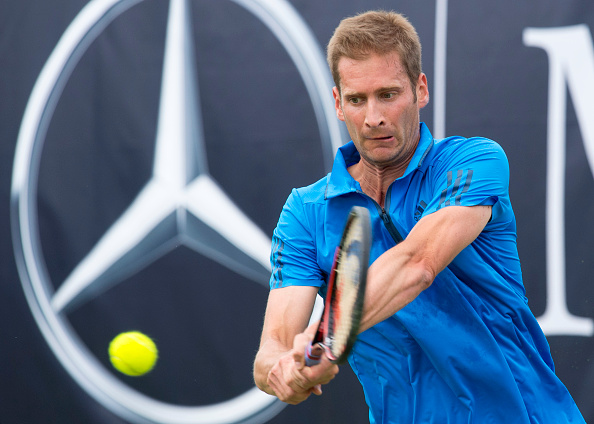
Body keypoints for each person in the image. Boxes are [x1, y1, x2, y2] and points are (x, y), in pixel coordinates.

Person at [253, 10, 585, 423]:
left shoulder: (473, 161)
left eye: (388, 94)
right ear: (338, 104)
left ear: (420, 89)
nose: (373, 117)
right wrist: (282, 372)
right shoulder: (306, 212)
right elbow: (274, 348)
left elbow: (418, 263)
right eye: (357, 100)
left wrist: (324, 338)